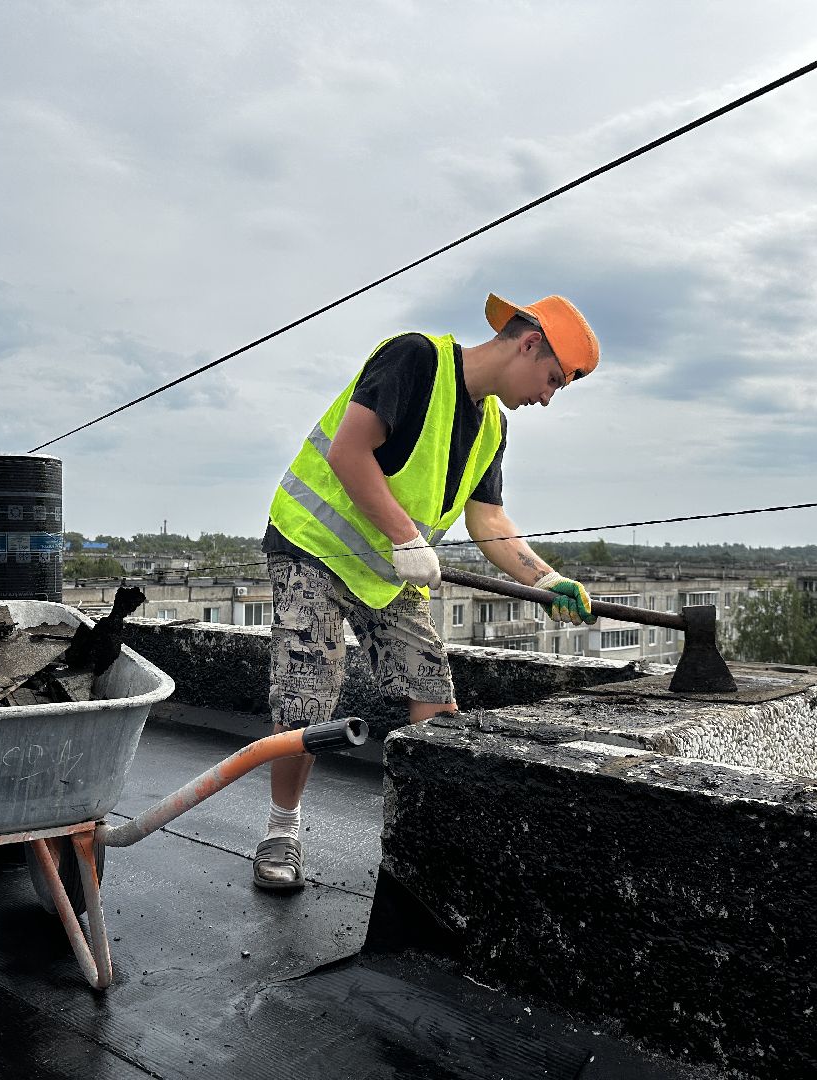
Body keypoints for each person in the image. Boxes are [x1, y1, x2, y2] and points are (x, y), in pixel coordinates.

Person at [254, 292, 601, 890]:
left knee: (432, 690)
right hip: (310, 546)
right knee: (307, 697)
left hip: (387, 572)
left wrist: (545, 579)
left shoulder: (492, 426)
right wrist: (405, 536)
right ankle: (281, 831)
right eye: (552, 380)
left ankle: (432, 835)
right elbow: (347, 450)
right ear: (528, 343)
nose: (546, 397)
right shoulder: (414, 359)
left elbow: (488, 522)